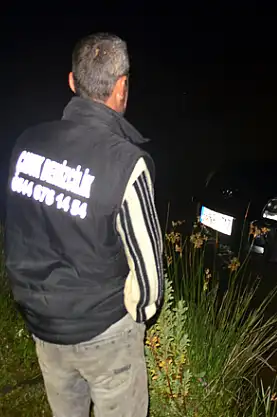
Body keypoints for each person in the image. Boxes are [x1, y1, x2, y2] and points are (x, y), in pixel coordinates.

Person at [4, 32, 163, 417]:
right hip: (105, 331)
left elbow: (19, 233)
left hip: (44, 325)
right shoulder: (126, 163)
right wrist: (138, 318)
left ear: (73, 82)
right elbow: (148, 269)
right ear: (122, 87)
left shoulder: (26, 143)